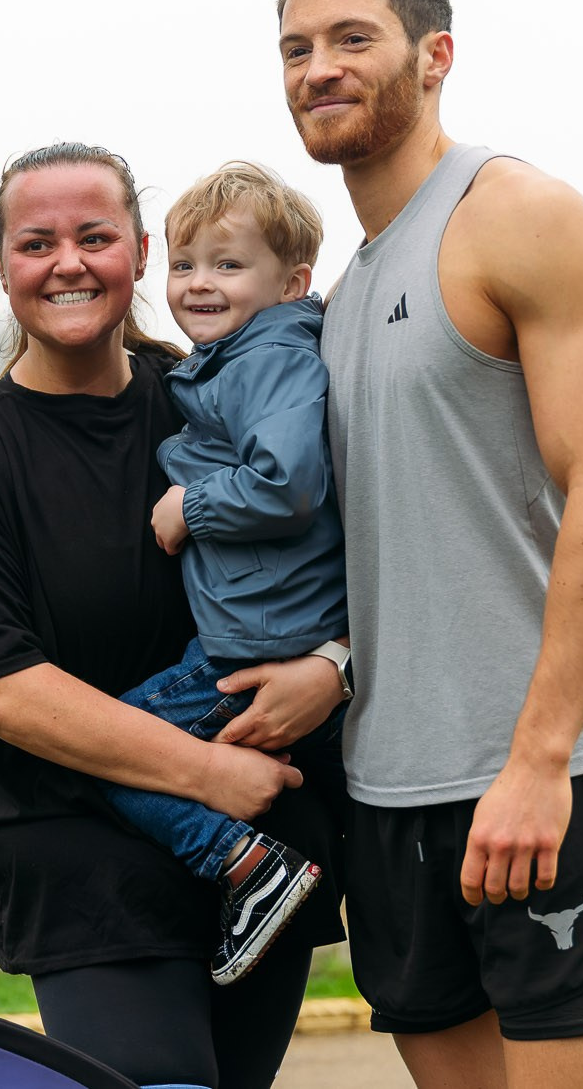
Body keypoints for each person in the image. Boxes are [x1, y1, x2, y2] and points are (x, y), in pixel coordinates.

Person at [274, 0, 583, 1087]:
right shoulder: (350, 290)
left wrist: (539, 758)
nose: (318, 68)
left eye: (351, 38)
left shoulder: (518, 216)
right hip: (387, 786)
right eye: (296, 48)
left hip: (540, 775)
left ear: (433, 54)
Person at [0, 142, 348, 1089]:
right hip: (79, 844)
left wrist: (336, 664)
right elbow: (2, 692)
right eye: (37, 242)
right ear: (5, 265)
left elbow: (344, 540)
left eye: (94, 237)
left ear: (141, 254)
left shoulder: (207, 398)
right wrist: (210, 775)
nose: (67, 262)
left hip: (267, 836)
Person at [101, 161, 351, 987]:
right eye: (184, 264)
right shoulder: (238, 357)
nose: (199, 283)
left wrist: (188, 507)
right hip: (255, 628)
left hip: (254, 643)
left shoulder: (269, 360)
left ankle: (246, 864)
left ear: (293, 281)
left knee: (100, 751)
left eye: (227, 264)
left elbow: (286, 481)